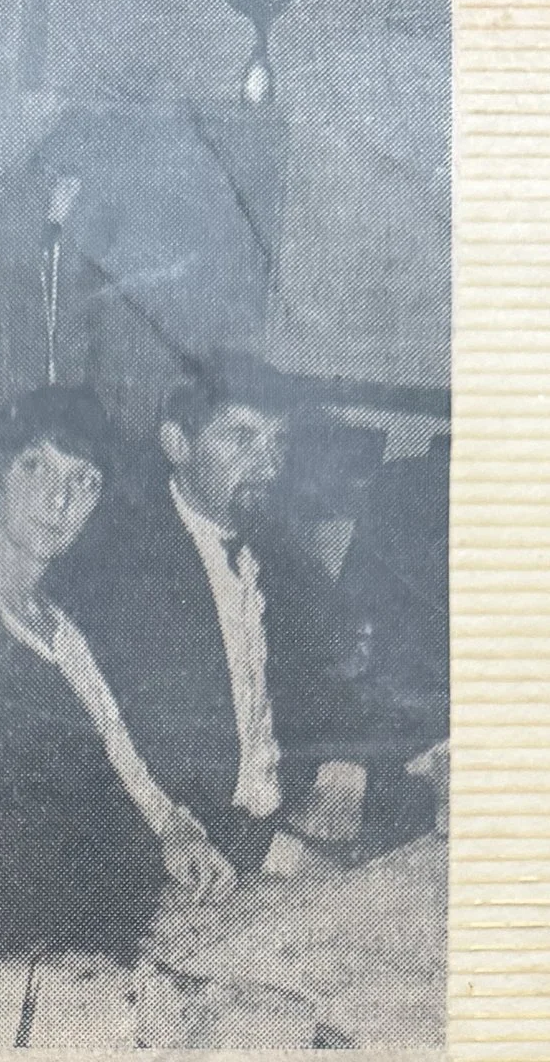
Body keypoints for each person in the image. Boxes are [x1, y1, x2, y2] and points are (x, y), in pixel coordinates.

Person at [0, 388, 204, 975]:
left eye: (84, 481)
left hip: (101, 910)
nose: (58, 499)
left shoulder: (61, 622)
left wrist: (175, 829)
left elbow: (118, 750)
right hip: (3, 939)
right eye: (36, 467)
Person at [56, 365, 375, 882]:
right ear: (177, 443)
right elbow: (153, 768)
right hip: (202, 851)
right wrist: (282, 854)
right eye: (241, 437)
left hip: (288, 813)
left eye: (278, 442)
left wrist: (342, 772)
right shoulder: (125, 563)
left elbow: (328, 675)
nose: (268, 466)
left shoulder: (269, 538)